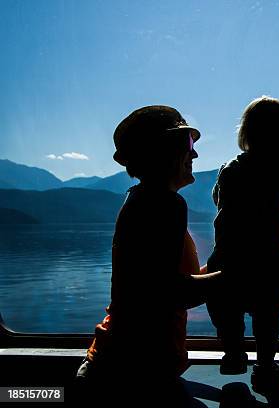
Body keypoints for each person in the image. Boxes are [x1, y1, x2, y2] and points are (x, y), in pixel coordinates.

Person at [74, 106, 221, 405]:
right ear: (163, 153)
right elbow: (172, 293)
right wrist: (240, 276)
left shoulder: (141, 200)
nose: (195, 155)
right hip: (130, 380)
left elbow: (161, 282)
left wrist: (219, 267)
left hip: (120, 371)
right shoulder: (165, 205)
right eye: (189, 146)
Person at [206, 96, 279, 398]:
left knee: (227, 311)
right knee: (267, 315)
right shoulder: (277, 170)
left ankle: (233, 353)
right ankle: (265, 366)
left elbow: (218, 199)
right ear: (274, 138)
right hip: (265, 258)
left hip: (228, 257)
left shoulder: (229, 168)